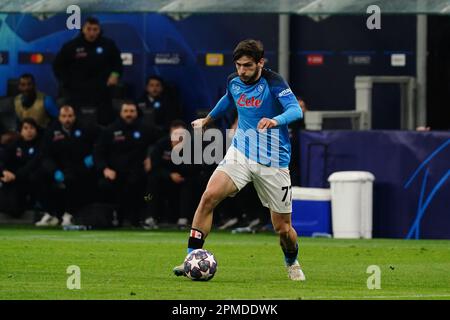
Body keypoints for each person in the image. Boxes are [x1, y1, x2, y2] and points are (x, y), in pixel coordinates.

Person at [172, 39, 305, 281]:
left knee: (283, 229)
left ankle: (292, 261)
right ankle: (191, 257)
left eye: (248, 66)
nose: (242, 71)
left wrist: (275, 120)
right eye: (239, 65)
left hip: (273, 160)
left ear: (260, 63)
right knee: (209, 196)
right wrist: (207, 120)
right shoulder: (234, 81)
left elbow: (296, 110)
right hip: (241, 153)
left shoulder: (274, 82)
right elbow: (228, 99)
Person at [94, 100, 159, 227]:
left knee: (147, 189)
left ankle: (142, 219)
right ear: (120, 113)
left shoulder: (146, 129)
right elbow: (98, 152)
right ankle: (112, 219)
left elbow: (159, 143)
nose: (129, 114)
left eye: (132, 111)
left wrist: (151, 157)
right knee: (104, 185)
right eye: (126, 111)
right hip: (115, 173)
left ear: (136, 112)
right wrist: (105, 168)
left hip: (138, 173)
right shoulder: (110, 130)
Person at [37, 105, 100, 227]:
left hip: (80, 166)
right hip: (58, 167)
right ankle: (51, 213)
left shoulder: (86, 128)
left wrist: (93, 156)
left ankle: (69, 214)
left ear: (74, 116)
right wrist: (54, 171)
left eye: (70, 116)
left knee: (73, 179)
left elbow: (101, 140)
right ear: (59, 117)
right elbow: (45, 155)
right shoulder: (51, 131)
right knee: (37, 177)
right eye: (64, 116)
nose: (67, 119)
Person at [53, 16, 123, 125]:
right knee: (77, 122)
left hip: (102, 90)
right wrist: (67, 81)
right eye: (89, 29)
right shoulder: (71, 46)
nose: (92, 33)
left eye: (95, 29)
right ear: (83, 29)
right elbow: (58, 66)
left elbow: (118, 64)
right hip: (77, 91)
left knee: (105, 120)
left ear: (99, 30)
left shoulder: (108, 45)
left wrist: (114, 75)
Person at [0, 118, 45, 217]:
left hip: (29, 180)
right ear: (21, 131)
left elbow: (33, 164)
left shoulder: (41, 144)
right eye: (26, 128)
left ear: (36, 130)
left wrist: (15, 176)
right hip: (12, 180)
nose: (29, 131)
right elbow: (3, 159)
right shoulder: (15, 144)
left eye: (32, 128)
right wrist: (3, 172)